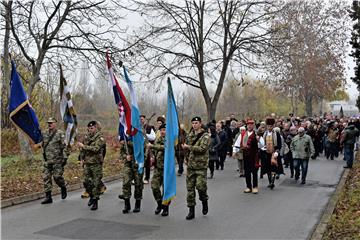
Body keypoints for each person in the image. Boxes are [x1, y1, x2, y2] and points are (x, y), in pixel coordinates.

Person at [182, 116, 210, 220]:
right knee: (190, 189)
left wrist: (188, 147)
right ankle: (191, 210)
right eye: (193, 123)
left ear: (200, 124)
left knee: (200, 186)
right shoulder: (189, 136)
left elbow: (202, 149)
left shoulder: (206, 136)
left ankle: (204, 200)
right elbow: (187, 150)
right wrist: (186, 157)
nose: (194, 125)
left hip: (201, 166)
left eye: (196, 123)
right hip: (191, 166)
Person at [77, 120, 106, 210]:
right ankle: (91, 196)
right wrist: (81, 159)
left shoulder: (100, 138)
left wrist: (83, 146)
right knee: (86, 182)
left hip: (96, 163)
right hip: (87, 163)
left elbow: (96, 149)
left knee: (95, 183)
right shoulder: (86, 137)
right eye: (89, 128)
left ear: (96, 128)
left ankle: (95, 201)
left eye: (92, 128)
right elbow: (83, 151)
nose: (90, 129)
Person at [41, 117, 68, 204]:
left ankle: (63, 186)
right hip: (47, 160)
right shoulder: (44, 133)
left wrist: (65, 157)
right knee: (46, 178)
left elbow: (65, 146)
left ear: (55, 124)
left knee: (57, 177)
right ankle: (48, 197)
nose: (49, 124)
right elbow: (40, 143)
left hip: (57, 160)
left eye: (51, 123)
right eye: (48, 123)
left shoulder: (60, 134)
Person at [147, 123, 170, 216]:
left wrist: (152, 146)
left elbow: (166, 148)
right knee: (154, 187)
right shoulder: (158, 139)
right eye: (161, 130)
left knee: (166, 190)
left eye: (164, 130)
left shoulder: (170, 140)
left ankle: (166, 208)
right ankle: (159, 203)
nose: (163, 132)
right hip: (158, 168)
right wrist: (153, 157)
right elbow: (155, 151)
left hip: (167, 169)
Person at [234, 119, 260, 193]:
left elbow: (261, 145)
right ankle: (248, 187)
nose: (249, 126)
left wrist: (258, 141)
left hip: (254, 156)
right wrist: (234, 152)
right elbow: (237, 144)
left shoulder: (256, 134)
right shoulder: (242, 134)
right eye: (248, 125)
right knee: (247, 172)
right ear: (246, 125)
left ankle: (255, 187)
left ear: (253, 126)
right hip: (245, 155)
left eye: (251, 125)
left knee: (254, 172)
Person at [119, 136, 144, 214]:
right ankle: (127, 204)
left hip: (138, 165)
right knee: (126, 182)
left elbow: (144, 152)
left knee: (138, 184)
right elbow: (121, 153)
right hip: (128, 165)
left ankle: (137, 203)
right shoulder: (126, 140)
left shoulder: (140, 139)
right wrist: (125, 157)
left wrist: (140, 159)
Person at [263, 117, 282, 190]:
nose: (269, 127)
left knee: (273, 168)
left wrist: (277, 150)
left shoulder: (276, 134)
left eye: (271, 126)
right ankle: (269, 181)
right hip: (267, 153)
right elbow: (262, 143)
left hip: (274, 153)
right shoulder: (265, 133)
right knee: (268, 168)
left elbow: (279, 143)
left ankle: (272, 182)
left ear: (273, 126)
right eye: (268, 126)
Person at [140, 115, 156, 184]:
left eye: (142, 119)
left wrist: (145, 135)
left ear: (145, 120)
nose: (141, 120)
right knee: (140, 163)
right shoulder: (138, 128)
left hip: (147, 148)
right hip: (140, 148)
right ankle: (139, 178)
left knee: (147, 164)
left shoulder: (149, 127)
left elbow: (153, 137)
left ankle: (147, 178)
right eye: (140, 119)